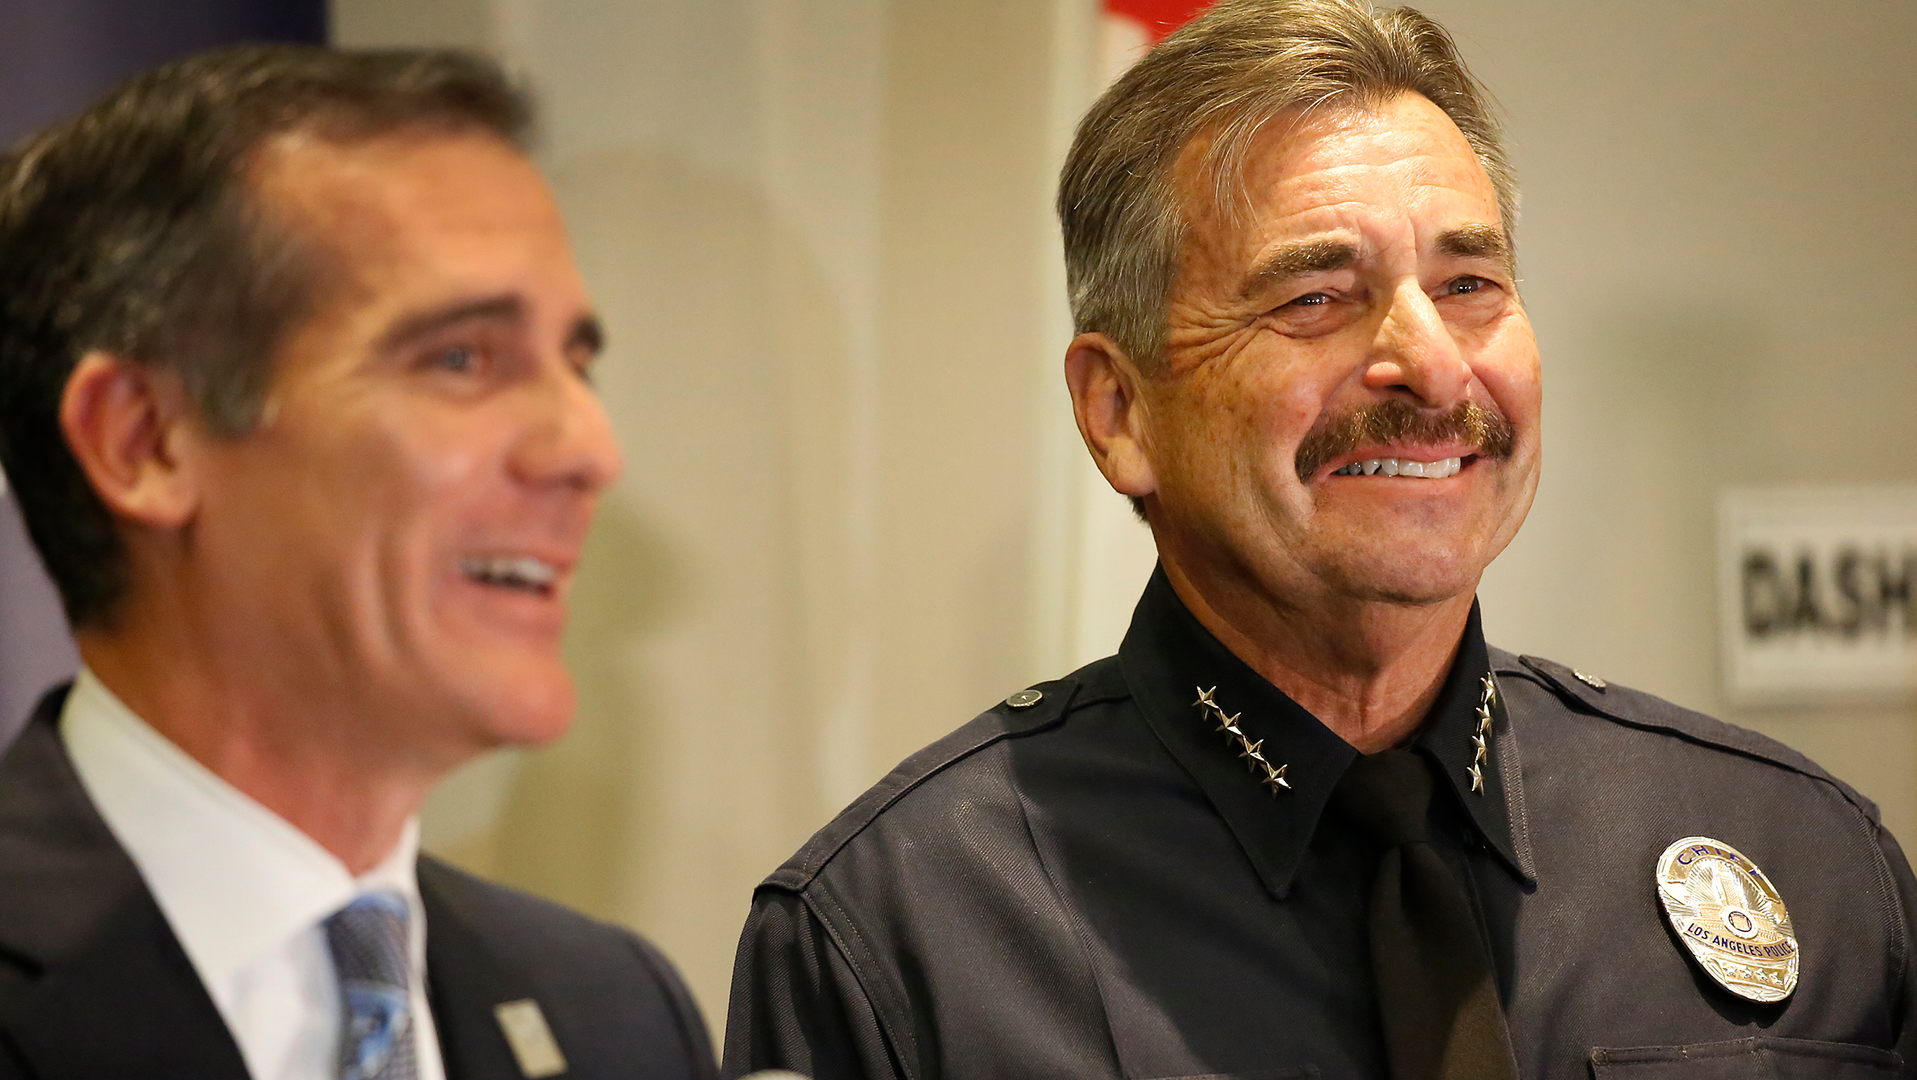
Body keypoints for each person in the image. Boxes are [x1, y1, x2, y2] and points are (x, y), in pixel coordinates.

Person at [724, 2, 1917, 1078]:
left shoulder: (1802, 859)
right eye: (1314, 299)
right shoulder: (899, 934)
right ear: (1121, 411)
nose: (1435, 364)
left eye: (1470, 284)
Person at [0, 46, 715, 1080]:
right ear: (144, 440)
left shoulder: (615, 1014)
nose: (590, 449)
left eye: (576, 363)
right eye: (463, 358)